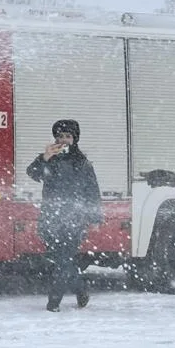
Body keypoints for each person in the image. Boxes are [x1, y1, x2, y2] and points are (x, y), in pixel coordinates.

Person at [25, 118, 101, 310]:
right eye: (60, 136)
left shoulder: (82, 163)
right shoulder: (50, 159)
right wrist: (44, 158)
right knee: (63, 261)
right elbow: (32, 173)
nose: (64, 140)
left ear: (75, 139)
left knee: (62, 262)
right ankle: (81, 289)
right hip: (51, 218)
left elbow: (92, 191)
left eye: (68, 136)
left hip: (74, 219)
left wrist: (94, 217)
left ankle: (54, 302)